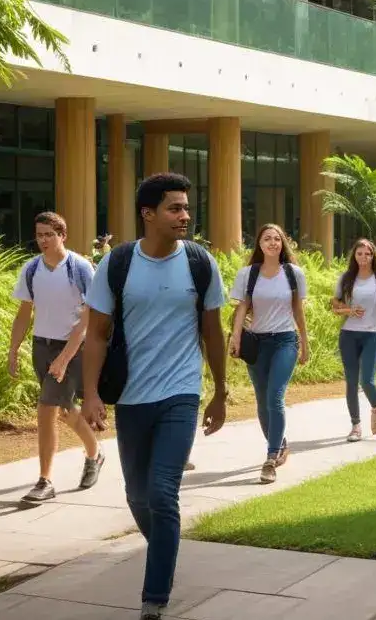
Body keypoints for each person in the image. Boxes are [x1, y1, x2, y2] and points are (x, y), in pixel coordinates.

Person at [82, 173, 227, 620]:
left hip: (181, 392)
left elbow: (212, 332)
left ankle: (154, 598)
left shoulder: (200, 263)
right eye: (174, 208)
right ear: (148, 213)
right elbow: (97, 334)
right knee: (137, 497)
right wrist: (89, 393)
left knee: (163, 493)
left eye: (186, 207)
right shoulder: (119, 263)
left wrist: (220, 391)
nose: (185, 216)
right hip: (131, 395)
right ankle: (166, 546)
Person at [8, 212, 103, 505]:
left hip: (73, 348)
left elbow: (87, 320)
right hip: (42, 346)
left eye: (49, 234)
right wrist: (13, 350)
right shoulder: (32, 268)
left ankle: (44, 480)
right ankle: (95, 453)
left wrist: (64, 357)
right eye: (39, 235)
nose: (43, 240)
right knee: (64, 409)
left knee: (46, 408)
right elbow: (24, 313)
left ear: (63, 235)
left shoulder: (80, 268)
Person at [228, 223, 310, 482]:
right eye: (267, 238)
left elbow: (298, 310)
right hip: (257, 343)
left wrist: (305, 343)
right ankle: (281, 442)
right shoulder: (248, 274)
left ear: (282, 243)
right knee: (262, 401)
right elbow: (242, 308)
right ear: (260, 244)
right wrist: (236, 337)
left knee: (275, 395)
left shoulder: (293, 273)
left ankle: (271, 456)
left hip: (285, 341)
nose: (272, 242)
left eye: (277, 238)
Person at [331, 238, 376, 443]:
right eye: (359, 254)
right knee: (351, 381)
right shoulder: (346, 279)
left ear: (373, 255)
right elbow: (335, 306)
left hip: (373, 334)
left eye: (367, 254)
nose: (363, 257)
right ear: (354, 256)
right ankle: (355, 425)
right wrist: (350, 310)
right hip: (349, 334)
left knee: (366, 379)